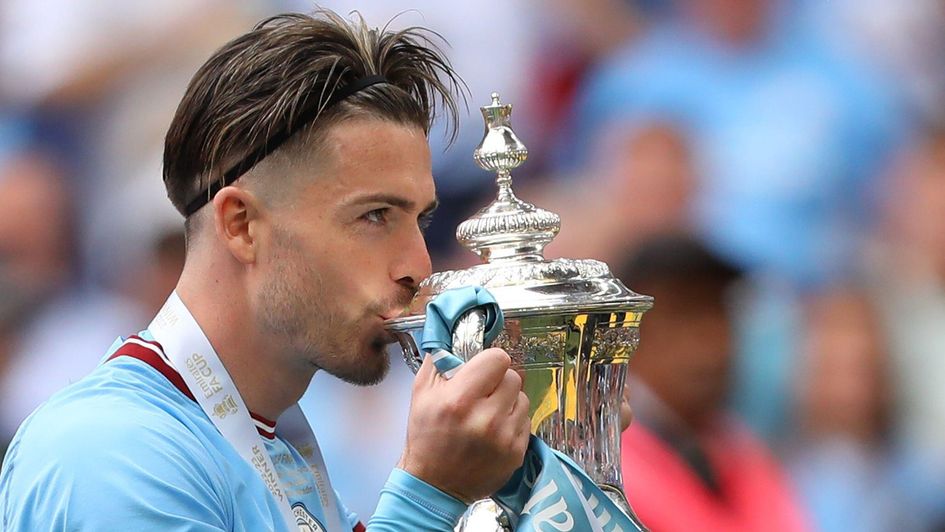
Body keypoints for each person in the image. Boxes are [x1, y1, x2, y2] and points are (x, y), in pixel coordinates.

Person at [0, 10, 533, 531]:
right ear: (242, 225)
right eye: (375, 215)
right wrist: (428, 497)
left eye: (421, 220)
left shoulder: (277, 445)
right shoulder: (111, 452)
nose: (418, 264)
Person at [616, 233, 810, 532]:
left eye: (719, 311)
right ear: (627, 332)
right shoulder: (605, 468)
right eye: (685, 314)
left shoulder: (741, 450)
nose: (711, 339)